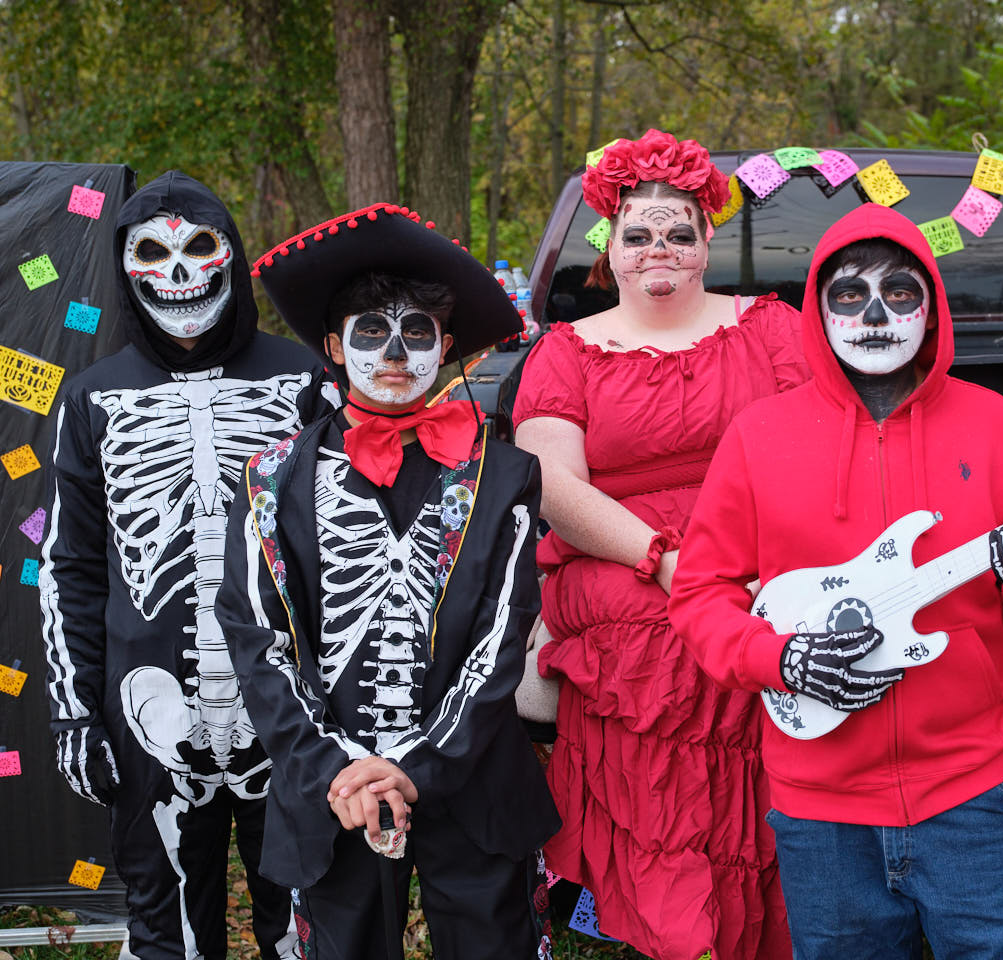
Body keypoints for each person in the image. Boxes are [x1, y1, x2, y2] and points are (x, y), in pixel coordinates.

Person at [668, 203, 1003, 960]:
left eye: (899, 293)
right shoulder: (759, 436)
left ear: (931, 311)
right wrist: (781, 659)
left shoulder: (993, 425)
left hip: (971, 792)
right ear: (817, 310)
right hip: (819, 805)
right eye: (848, 294)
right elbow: (700, 596)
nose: (873, 314)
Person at [216, 203, 559, 960]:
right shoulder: (273, 479)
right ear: (335, 347)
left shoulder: (504, 477)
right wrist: (339, 769)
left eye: (418, 333)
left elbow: (503, 636)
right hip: (330, 787)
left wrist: (414, 767)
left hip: (472, 779)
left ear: (446, 350)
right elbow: (257, 636)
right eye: (372, 331)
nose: (396, 352)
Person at [512, 129, 808, 960]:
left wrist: (744, 565)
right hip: (624, 569)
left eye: (679, 231)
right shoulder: (567, 350)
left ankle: (757, 921)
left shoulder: (772, 330)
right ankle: (666, 927)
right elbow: (556, 488)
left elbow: (815, 450)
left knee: (750, 636)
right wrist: (667, 560)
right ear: (612, 244)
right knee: (652, 637)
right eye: (638, 234)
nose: (659, 250)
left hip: (760, 560)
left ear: (708, 238)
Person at [37, 171, 335, 959]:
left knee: (308, 921)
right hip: (151, 709)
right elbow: (70, 564)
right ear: (124, 268)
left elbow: (345, 544)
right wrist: (74, 710)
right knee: (166, 926)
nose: (177, 273)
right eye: (153, 254)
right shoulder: (94, 398)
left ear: (231, 257)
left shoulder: (303, 380)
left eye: (198, 248)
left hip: (293, 705)